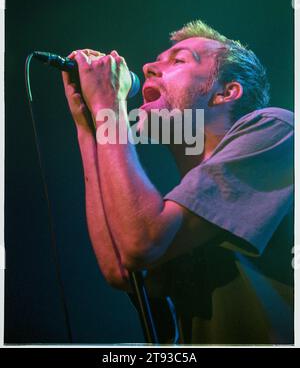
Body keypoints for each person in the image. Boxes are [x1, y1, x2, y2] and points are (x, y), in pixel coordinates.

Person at [62, 20, 294, 345]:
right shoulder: (178, 206)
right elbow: (121, 268)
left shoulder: (278, 129)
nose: (148, 68)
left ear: (225, 92)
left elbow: (143, 241)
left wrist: (109, 107)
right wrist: (90, 127)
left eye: (178, 60)